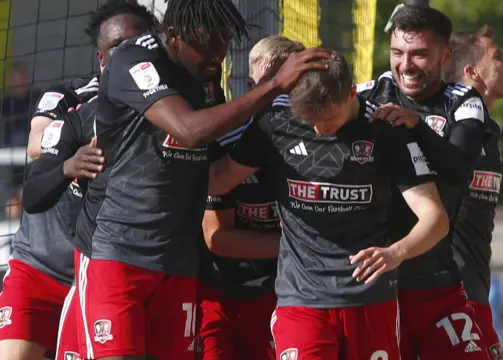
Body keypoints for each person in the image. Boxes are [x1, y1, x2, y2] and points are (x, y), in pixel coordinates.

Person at [72, 0, 332, 358]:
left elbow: (213, 172)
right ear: (174, 36)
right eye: (207, 46)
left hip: (178, 259)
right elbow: (190, 131)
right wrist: (273, 85)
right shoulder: (134, 60)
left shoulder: (204, 73)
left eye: (224, 43)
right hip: (117, 251)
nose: (218, 57)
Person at [207, 52, 449, 360]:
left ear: (351, 93)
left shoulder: (385, 128)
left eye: (329, 121)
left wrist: (395, 253)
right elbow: (217, 180)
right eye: (310, 122)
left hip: (370, 297)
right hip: (302, 299)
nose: (320, 130)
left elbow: (435, 218)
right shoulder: (276, 124)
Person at [13, 2, 158, 360]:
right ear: (101, 58)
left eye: (139, 42)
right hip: (40, 265)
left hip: (103, 265)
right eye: (117, 46)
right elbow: (36, 142)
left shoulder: (164, 104)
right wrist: (74, 149)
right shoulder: (69, 95)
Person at [359, 5, 491, 359]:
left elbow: (460, 168)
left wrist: (414, 124)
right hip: (376, 284)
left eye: (419, 54)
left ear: (445, 56)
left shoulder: (464, 101)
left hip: (437, 280)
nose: (406, 65)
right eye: (397, 53)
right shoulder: (366, 96)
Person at [198, 35, 303, 360]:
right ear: (248, 83)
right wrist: (305, 244)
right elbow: (218, 238)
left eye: (283, 89)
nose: (272, 98)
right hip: (219, 291)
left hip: (287, 289)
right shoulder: (225, 141)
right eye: (264, 86)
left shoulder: (320, 141)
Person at [442, 25, 503, 359]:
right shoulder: (445, 128)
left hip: (476, 293)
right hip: (446, 297)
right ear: (471, 73)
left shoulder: (489, 133)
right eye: (498, 57)